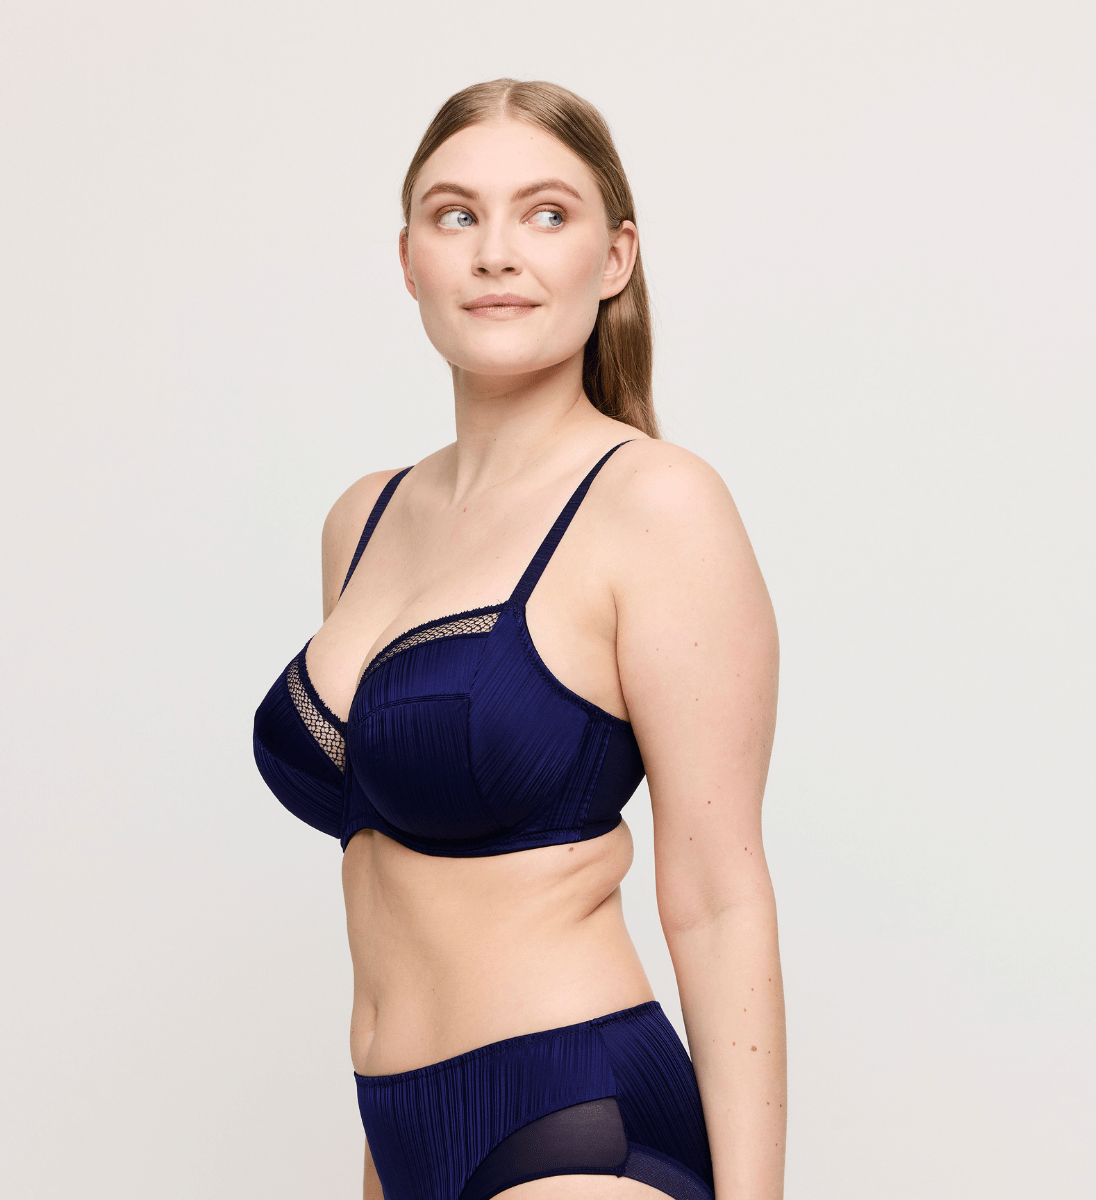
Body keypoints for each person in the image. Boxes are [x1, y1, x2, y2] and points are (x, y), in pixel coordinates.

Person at [253, 78, 784, 1200]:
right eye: (457, 215)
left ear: (615, 257)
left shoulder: (655, 505)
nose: (497, 252)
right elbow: (381, 880)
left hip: (573, 1120)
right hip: (401, 1131)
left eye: (547, 213)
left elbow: (717, 895)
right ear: (410, 259)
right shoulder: (363, 519)